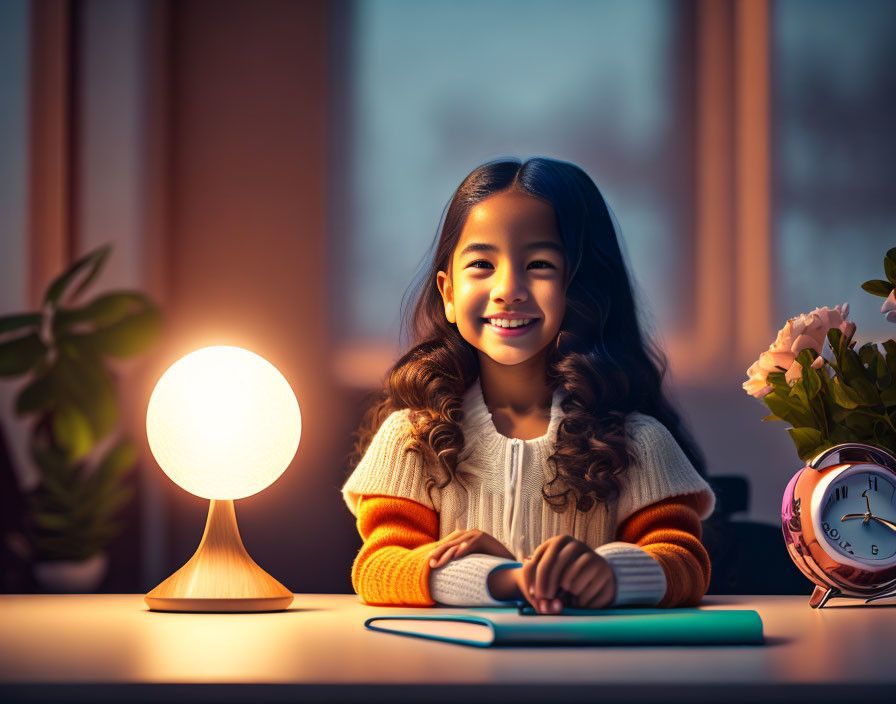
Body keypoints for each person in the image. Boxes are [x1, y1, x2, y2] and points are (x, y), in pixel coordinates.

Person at [342, 157, 714, 613]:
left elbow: (683, 563)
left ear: (582, 289)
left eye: (539, 264)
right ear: (449, 294)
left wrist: (608, 574)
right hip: (452, 680)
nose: (508, 289)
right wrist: (507, 579)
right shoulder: (411, 438)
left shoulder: (637, 442)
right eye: (481, 264)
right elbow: (380, 567)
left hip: (593, 679)